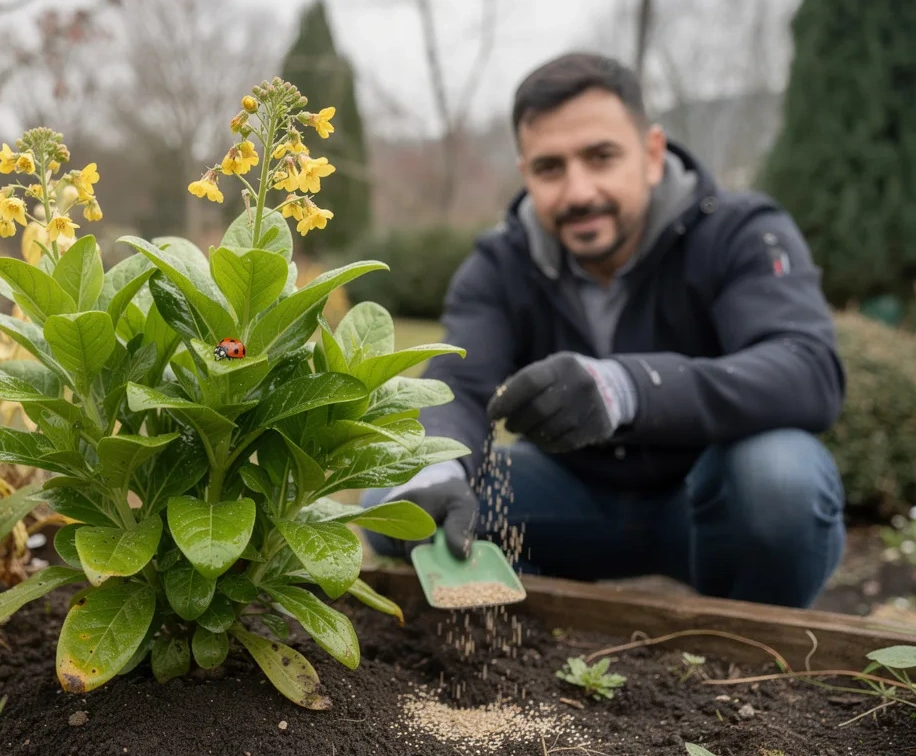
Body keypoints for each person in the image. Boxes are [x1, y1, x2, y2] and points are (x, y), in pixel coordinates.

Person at [361, 51, 848, 610]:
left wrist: (626, 388)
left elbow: (806, 368)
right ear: (525, 174)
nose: (578, 192)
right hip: (571, 500)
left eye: (601, 157)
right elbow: (460, 384)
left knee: (781, 479)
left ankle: (758, 659)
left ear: (652, 154)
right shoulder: (500, 264)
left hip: (709, 504)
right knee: (398, 500)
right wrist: (439, 467)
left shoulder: (739, 233)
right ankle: (521, 621)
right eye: (550, 168)